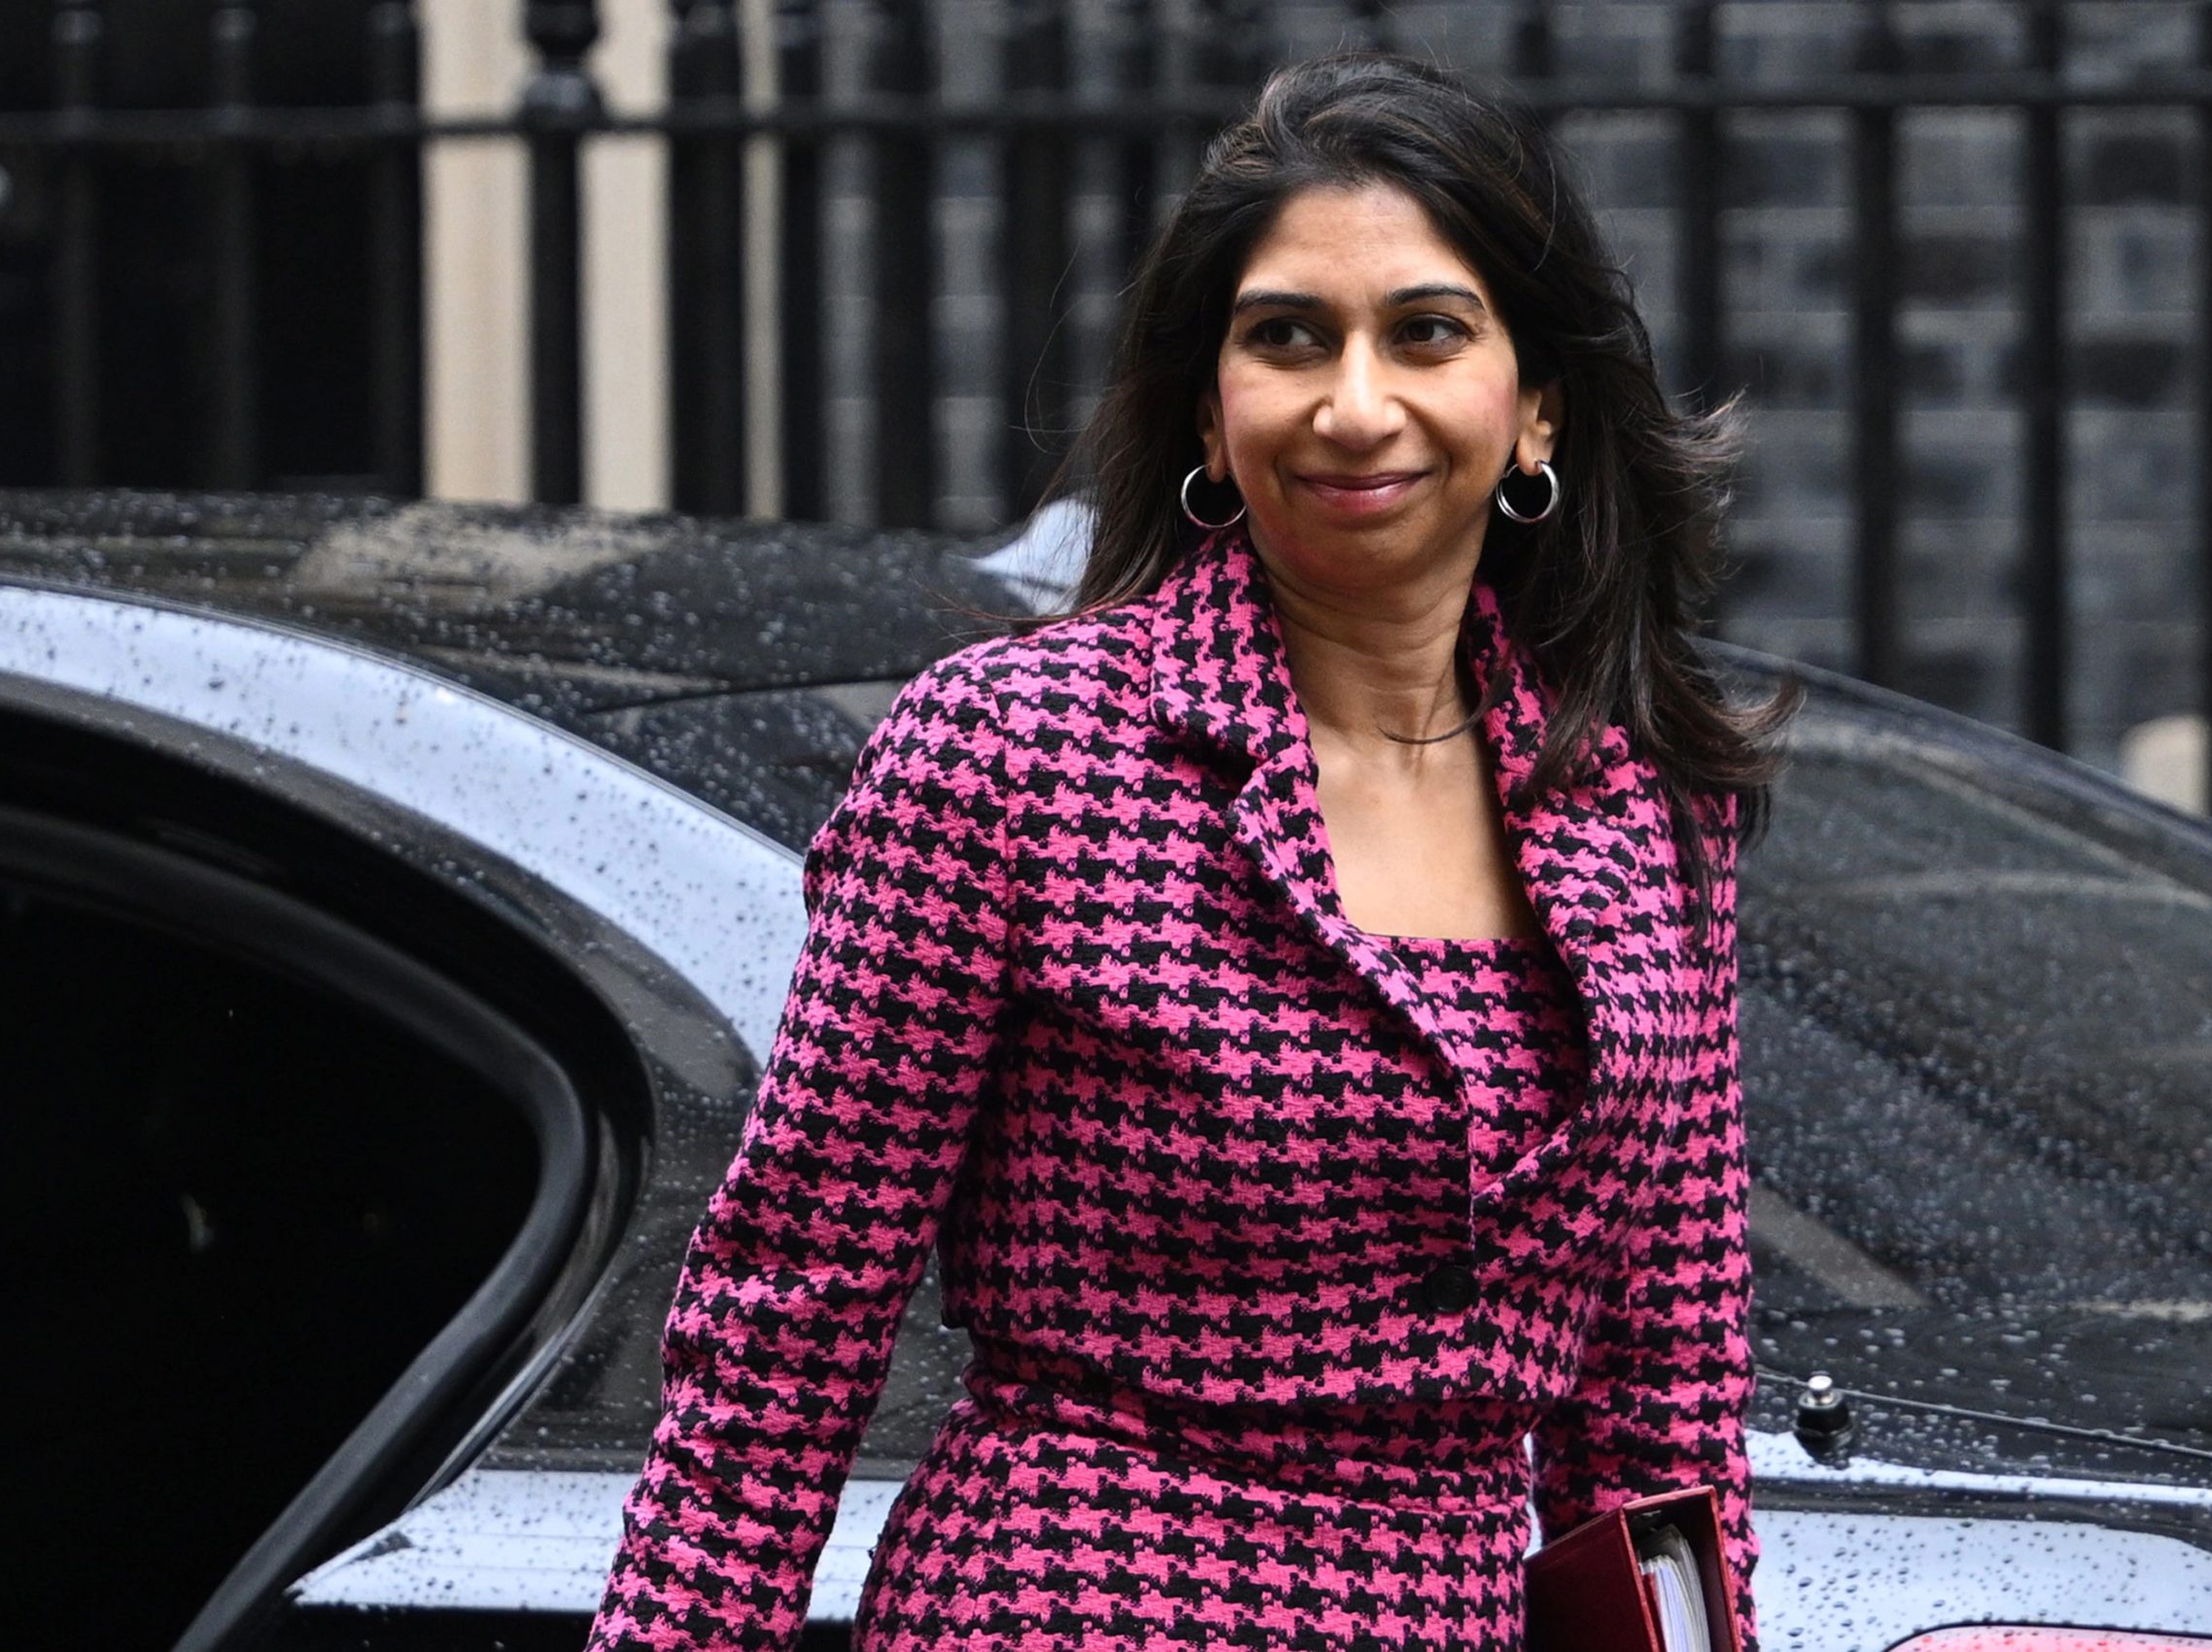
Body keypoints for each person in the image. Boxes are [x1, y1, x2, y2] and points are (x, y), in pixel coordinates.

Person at [585, 49, 1796, 1652]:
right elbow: (786, 1327)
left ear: (1536, 408)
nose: (1354, 403)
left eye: (1426, 333)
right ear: (1214, 422)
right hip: (1079, 1604)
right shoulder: (1016, 753)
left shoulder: (1646, 804)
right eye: (1287, 338)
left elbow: (1664, 1409)